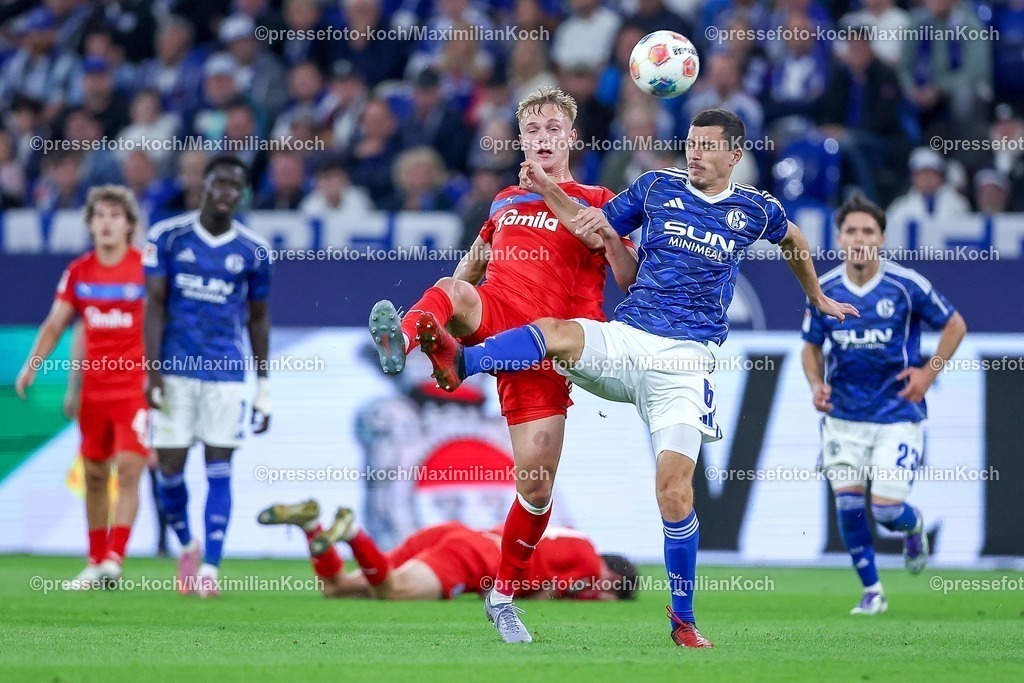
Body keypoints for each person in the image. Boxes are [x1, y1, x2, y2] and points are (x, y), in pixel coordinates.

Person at [414, 109, 859, 647]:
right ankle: (461, 363)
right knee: (554, 332)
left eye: (708, 146)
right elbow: (589, 226)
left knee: (674, 493)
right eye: (691, 143)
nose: (695, 153)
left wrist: (816, 295)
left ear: (735, 156)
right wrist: (554, 192)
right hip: (629, 338)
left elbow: (792, 240)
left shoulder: (756, 209)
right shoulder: (655, 188)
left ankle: (684, 622)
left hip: (687, 363)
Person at [368, 86, 638, 644]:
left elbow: (624, 270)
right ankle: (405, 344)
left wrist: (583, 215)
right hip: (501, 310)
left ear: (571, 137)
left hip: (554, 345)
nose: (542, 137)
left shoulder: (597, 196)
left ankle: (504, 595)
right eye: (532, 129)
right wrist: (444, 307)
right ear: (521, 139)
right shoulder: (503, 202)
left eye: (552, 128)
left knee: (536, 486)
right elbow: (474, 262)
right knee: (453, 288)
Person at [800, 193, 967, 615]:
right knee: (850, 506)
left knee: (887, 510)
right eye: (851, 231)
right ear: (839, 238)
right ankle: (872, 590)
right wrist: (816, 383)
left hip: (896, 413)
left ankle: (914, 530)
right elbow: (810, 346)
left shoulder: (906, 286)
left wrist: (929, 373)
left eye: (867, 231)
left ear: (881, 238)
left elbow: (955, 324)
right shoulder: (824, 290)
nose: (859, 239)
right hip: (843, 416)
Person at [144, 155, 273, 598]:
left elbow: (258, 318)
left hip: (225, 371)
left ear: (242, 194)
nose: (227, 193)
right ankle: (186, 544)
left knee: (220, 467)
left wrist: (264, 387)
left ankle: (211, 570)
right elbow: (155, 306)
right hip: (176, 370)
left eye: (236, 186)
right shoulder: (167, 237)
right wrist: (152, 369)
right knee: (169, 470)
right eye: (220, 183)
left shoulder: (253, 251)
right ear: (205, 185)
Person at [15, 185, 149, 587]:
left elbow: (165, 324)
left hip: (133, 389)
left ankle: (115, 559)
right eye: (100, 216)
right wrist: (33, 366)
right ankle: (94, 560)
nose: (106, 223)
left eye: (115, 216)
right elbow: (62, 325)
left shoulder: (146, 268)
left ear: (129, 225)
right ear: (90, 224)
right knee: (94, 476)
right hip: (94, 391)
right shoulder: (80, 272)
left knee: (128, 470)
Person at [257, 500, 638, 601]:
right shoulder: (588, 562)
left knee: (337, 588)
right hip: (476, 557)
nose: (601, 592)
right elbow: (544, 595)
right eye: (610, 588)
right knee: (393, 592)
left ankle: (311, 526)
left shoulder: (571, 536)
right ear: (613, 576)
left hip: (457, 535)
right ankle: (354, 532)